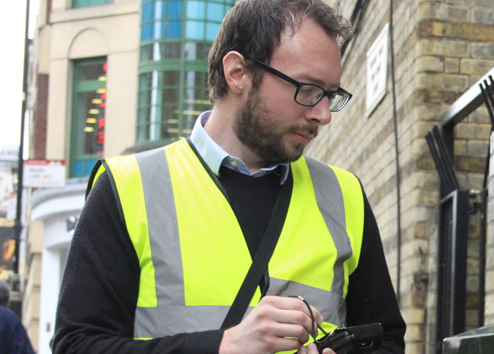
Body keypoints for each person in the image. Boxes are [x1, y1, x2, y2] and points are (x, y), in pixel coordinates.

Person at [52, 0, 405, 353]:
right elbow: (77, 345)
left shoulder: (345, 195)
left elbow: (386, 340)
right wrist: (224, 346)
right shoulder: (126, 187)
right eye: (307, 90)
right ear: (237, 72)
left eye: (330, 95)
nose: (324, 114)